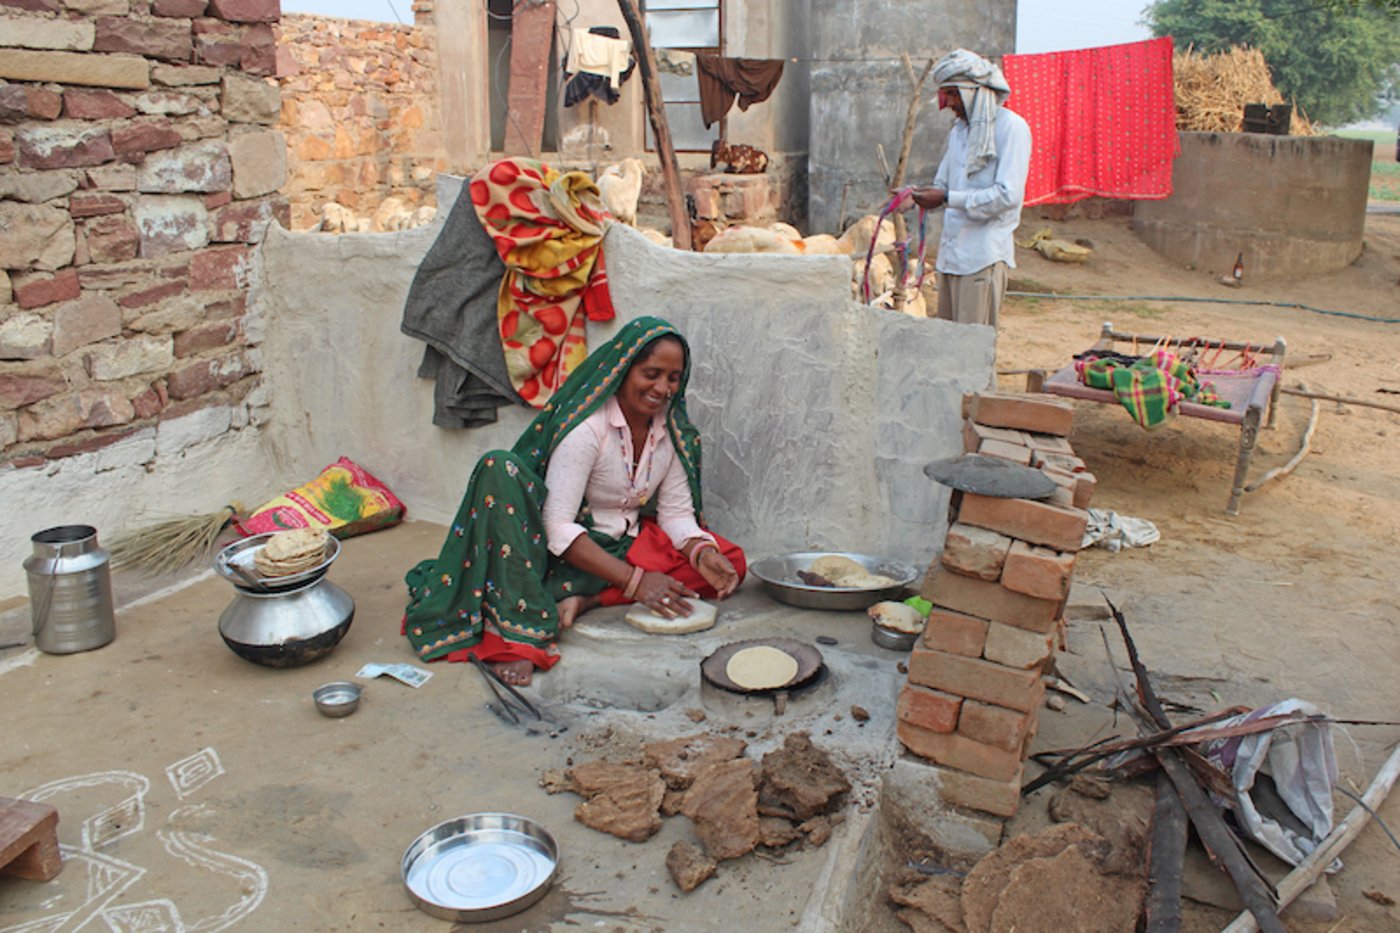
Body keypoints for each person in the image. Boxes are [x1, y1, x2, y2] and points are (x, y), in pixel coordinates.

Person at [403, 316, 746, 686]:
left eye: (673, 378)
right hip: (573, 551)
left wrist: (700, 551)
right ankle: (536, 621)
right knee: (498, 472)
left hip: (625, 544)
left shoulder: (671, 433)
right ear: (623, 370)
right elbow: (557, 528)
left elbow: (676, 514)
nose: (662, 388)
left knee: (729, 563)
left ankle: (589, 600)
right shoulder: (588, 429)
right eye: (651, 373)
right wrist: (636, 582)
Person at [912, 49, 1032, 328]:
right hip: (951, 258)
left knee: (973, 354)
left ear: (974, 92)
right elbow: (943, 184)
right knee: (949, 347)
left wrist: (947, 197)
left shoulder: (1011, 129)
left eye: (953, 94)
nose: (949, 103)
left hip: (982, 258)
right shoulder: (959, 131)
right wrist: (913, 196)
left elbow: (1007, 196)